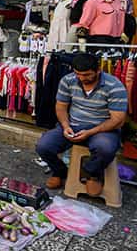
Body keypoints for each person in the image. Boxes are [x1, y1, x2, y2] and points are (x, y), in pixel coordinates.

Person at [36, 52, 127, 195]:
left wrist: (90, 132)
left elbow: (118, 120)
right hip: (73, 125)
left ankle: (92, 174)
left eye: (87, 75)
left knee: (106, 148)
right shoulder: (68, 80)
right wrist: (66, 126)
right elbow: (61, 107)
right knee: (44, 145)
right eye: (78, 74)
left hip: (103, 129)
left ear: (98, 70)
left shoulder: (114, 86)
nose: (82, 78)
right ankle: (59, 172)